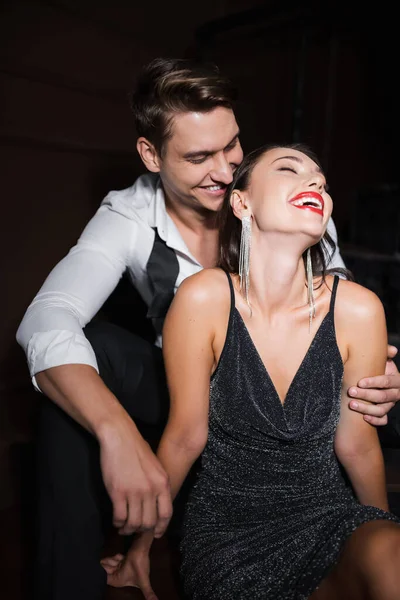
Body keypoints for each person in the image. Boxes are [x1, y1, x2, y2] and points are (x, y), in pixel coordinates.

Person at [15, 58, 400, 599]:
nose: (223, 170)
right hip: (174, 392)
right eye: (199, 157)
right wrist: (114, 429)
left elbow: (334, 321)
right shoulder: (129, 216)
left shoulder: (289, 199)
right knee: (79, 367)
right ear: (152, 155)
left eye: (232, 145)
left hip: (287, 425)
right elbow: (47, 319)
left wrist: (378, 373)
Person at [103, 143, 400, 600]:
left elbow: (358, 445)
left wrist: (382, 534)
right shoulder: (204, 298)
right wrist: (139, 549)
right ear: (242, 203)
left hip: (328, 519)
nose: (316, 182)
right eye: (289, 170)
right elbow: (184, 437)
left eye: (321, 178)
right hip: (229, 536)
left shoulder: (359, 309)